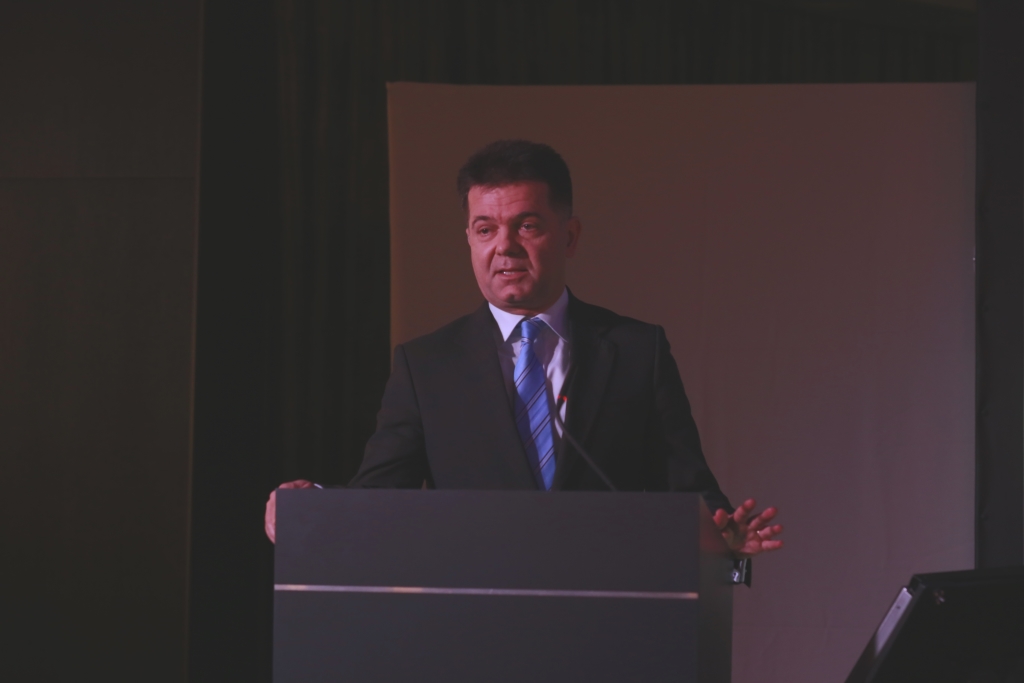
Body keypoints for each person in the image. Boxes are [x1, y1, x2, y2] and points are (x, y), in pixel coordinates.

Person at [265, 140, 783, 559]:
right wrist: (311, 509)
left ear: (570, 236)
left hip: (611, 613)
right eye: (485, 229)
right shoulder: (426, 366)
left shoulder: (635, 351)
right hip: (479, 617)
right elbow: (378, 497)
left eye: (527, 226)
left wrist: (725, 538)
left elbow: (689, 490)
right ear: (469, 240)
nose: (504, 246)